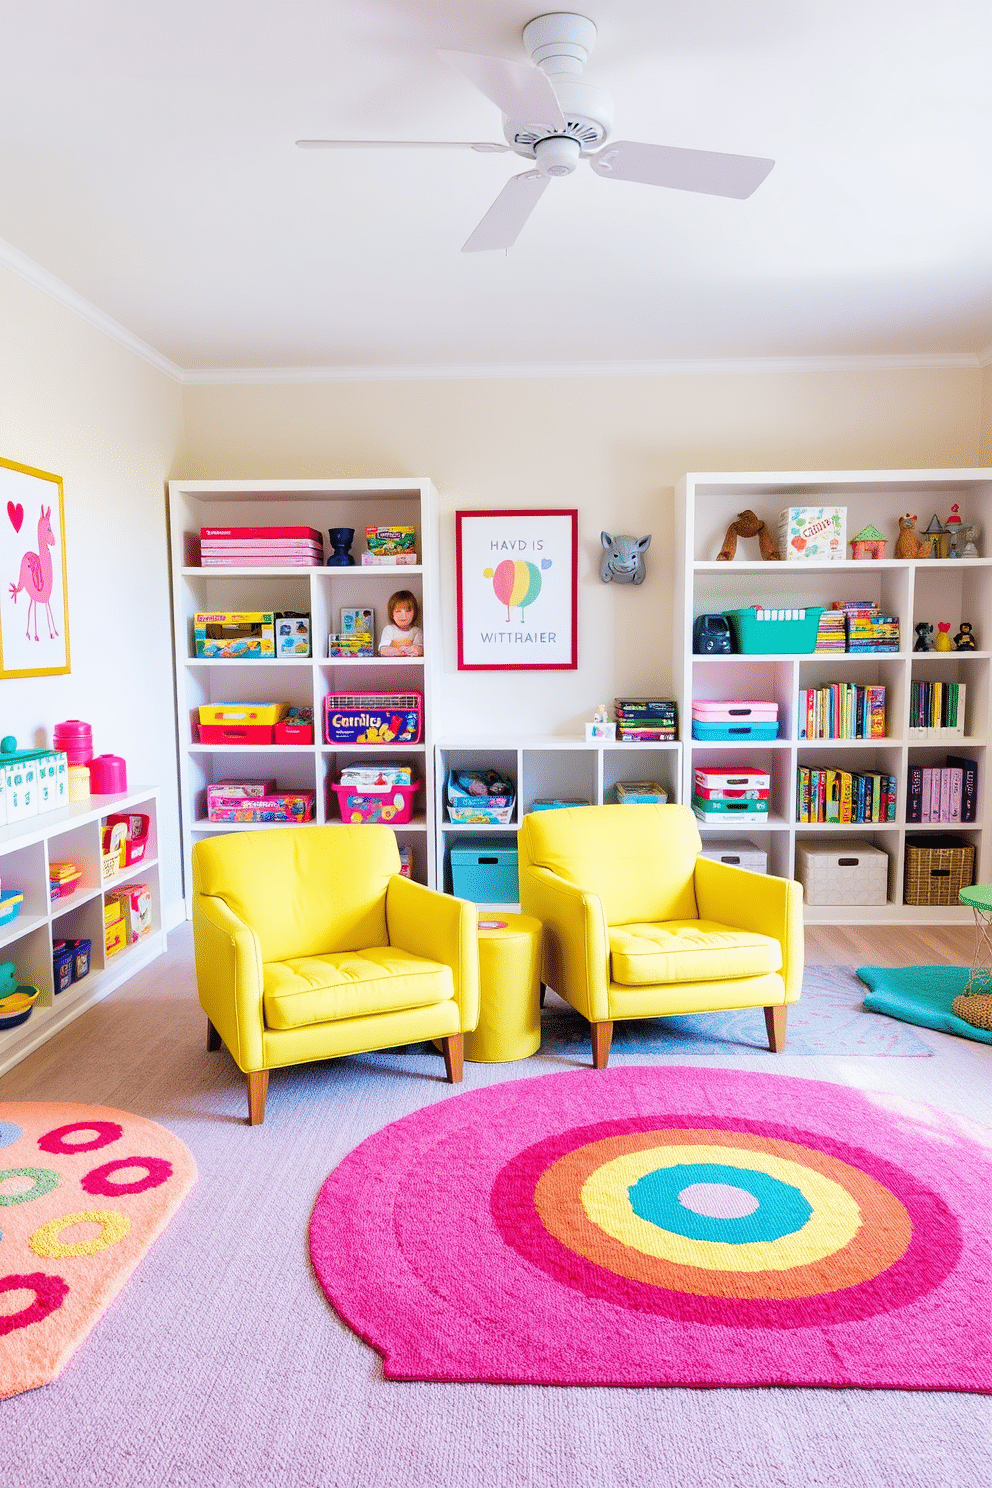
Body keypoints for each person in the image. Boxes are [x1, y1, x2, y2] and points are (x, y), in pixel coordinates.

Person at [379, 591, 424, 656]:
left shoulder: (416, 631)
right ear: (392, 614)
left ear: (414, 613)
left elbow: (420, 649)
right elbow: (383, 649)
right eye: (398, 611)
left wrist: (415, 650)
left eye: (408, 611)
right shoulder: (389, 629)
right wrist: (397, 651)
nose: (403, 616)